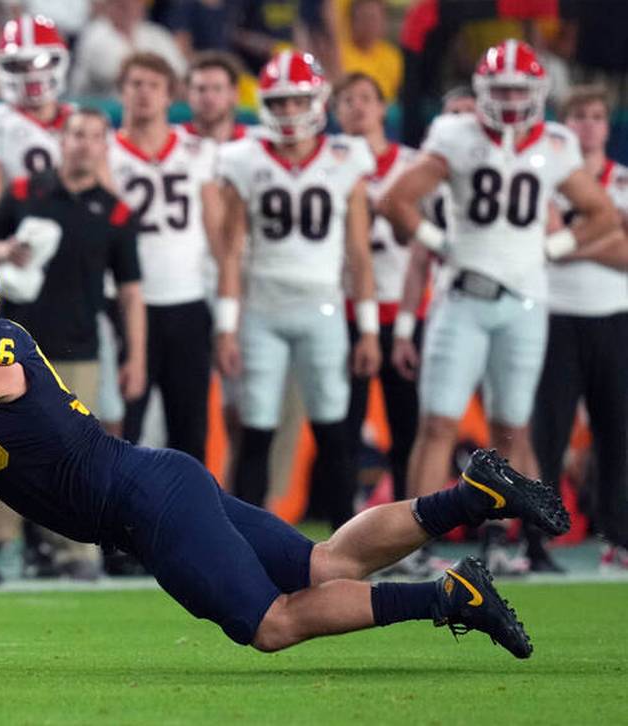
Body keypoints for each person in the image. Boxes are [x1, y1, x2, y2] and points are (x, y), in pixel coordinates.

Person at [0, 246, 570, 659]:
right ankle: (473, 497)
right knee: (324, 568)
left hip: (144, 502)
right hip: (151, 487)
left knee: (273, 625)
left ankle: (449, 598)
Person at [380, 40, 619, 574]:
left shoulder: (555, 144)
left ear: (536, 92)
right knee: (438, 423)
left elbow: (601, 214)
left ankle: (507, 542)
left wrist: (551, 249)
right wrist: (438, 242)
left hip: (524, 301)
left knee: (512, 428)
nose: (510, 99)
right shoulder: (455, 134)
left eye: (519, 89)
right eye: (501, 89)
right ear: (483, 92)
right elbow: (394, 199)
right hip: (462, 297)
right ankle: (411, 545)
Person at [0, 107, 147, 581]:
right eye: (75, 135)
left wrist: (137, 357)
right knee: (5, 446)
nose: (83, 144)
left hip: (80, 347)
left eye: (93, 136)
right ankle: (1, 545)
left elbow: (130, 291)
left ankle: (77, 552)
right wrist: (6, 250)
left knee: (75, 457)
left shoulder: (116, 211)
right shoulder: (27, 190)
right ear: (61, 141)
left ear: (104, 145)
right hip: (15, 347)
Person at [213, 51, 381, 529]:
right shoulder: (243, 158)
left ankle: (346, 541)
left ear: (317, 100)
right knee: (257, 428)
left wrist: (367, 329)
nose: (288, 112)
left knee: (334, 430)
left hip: (323, 309)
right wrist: (227, 328)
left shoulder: (344, 158)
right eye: (280, 102)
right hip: (262, 310)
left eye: (297, 101)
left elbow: (359, 254)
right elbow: (230, 251)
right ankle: (245, 538)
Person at [531, 85, 628, 572]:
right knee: (549, 433)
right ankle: (538, 538)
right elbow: (544, 240)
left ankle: (618, 535)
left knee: (618, 432)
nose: (588, 124)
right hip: (557, 315)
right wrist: (607, 233)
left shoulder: (623, 180)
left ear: (608, 126)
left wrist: (571, 244)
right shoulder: (547, 182)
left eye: (596, 116)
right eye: (580, 116)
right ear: (565, 125)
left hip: (614, 317)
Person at [333, 71, 423, 560]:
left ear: (382, 106)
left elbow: (425, 240)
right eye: (346, 100)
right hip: (345, 308)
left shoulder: (412, 164)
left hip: (404, 308)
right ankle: (346, 537)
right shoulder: (329, 162)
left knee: (407, 426)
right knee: (342, 428)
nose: (357, 107)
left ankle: (405, 535)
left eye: (365, 97)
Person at [111, 52, 218, 463]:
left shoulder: (198, 151)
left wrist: (227, 313)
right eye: (135, 84)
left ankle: (191, 524)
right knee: (123, 427)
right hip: (123, 300)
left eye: (153, 85)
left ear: (169, 95)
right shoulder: (105, 151)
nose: (143, 94)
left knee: (190, 428)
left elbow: (218, 234)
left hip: (186, 300)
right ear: (121, 91)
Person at [0, 14, 74, 223]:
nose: (32, 72)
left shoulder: (82, 119)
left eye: (41, 60)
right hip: (15, 241)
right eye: (19, 64)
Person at [69, 0, 186, 97]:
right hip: (99, 108)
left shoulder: (155, 33)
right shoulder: (94, 34)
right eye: (121, 4)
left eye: (134, 2)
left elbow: (180, 72)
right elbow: (117, 75)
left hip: (148, 107)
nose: (129, 7)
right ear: (109, 6)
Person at [183, 51, 249, 143]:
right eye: (201, 89)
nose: (209, 98)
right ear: (187, 94)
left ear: (234, 94)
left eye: (217, 89)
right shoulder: (169, 140)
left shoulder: (256, 143)